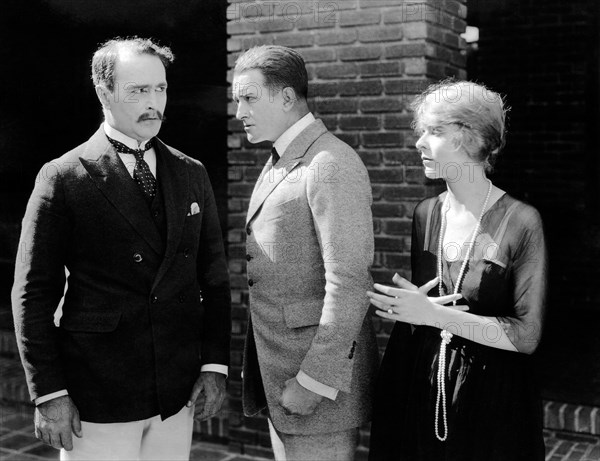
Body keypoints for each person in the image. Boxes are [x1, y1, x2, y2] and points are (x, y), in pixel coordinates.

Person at [11, 37, 231, 461]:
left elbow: (215, 280)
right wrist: (49, 393)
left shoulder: (191, 172)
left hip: (176, 388)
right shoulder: (63, 176)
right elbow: (32, 294)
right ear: (103, 92)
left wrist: (213, 366)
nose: (153, 103)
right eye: (137, 91)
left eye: (160, 89)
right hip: (99, 391)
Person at [368, 80, 547, 461]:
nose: (419, 143)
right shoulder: (426, 213)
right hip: (423, 387)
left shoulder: (521, 221)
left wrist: (434, 315)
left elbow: (526, 335)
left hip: (491, 401)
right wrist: (412, 311)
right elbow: (424, 309)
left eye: (434, 132)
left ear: (471, 138)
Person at [232, 45, 379, 461]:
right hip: (282, 371)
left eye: (248, 98)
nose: (239, 111)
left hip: (315, 382)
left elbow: (350, 282)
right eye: (236, 100)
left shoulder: (329, 163)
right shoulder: (282, 158)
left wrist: (315, 380)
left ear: (287, 97)